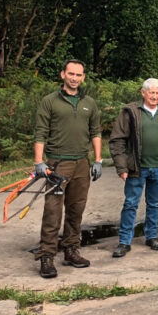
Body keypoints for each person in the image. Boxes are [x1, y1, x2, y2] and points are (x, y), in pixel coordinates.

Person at [32, 58, 102, 279]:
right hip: (57, 164)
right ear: (63, 74)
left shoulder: (89, 103)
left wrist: (98, 160)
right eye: (71, 74)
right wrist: (39, 162)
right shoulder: (50, 101)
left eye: (78, 75)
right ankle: (47, 256)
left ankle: (71, 250)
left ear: (83, 77)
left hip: (82, 163)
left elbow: (96, 132)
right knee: (53, 211)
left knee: (76, 209)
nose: (74, 78)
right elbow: (40, 133)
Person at [109, 78, 158, 258]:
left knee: (154, 204)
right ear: (143, 93)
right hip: (136, 168)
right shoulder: (130, 112)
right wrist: (121, 167)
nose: (154, 96)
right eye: (151, 92)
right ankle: (124, 241)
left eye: (157, 93)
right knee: (131, 203)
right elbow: (117, 140)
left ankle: (152, 236)